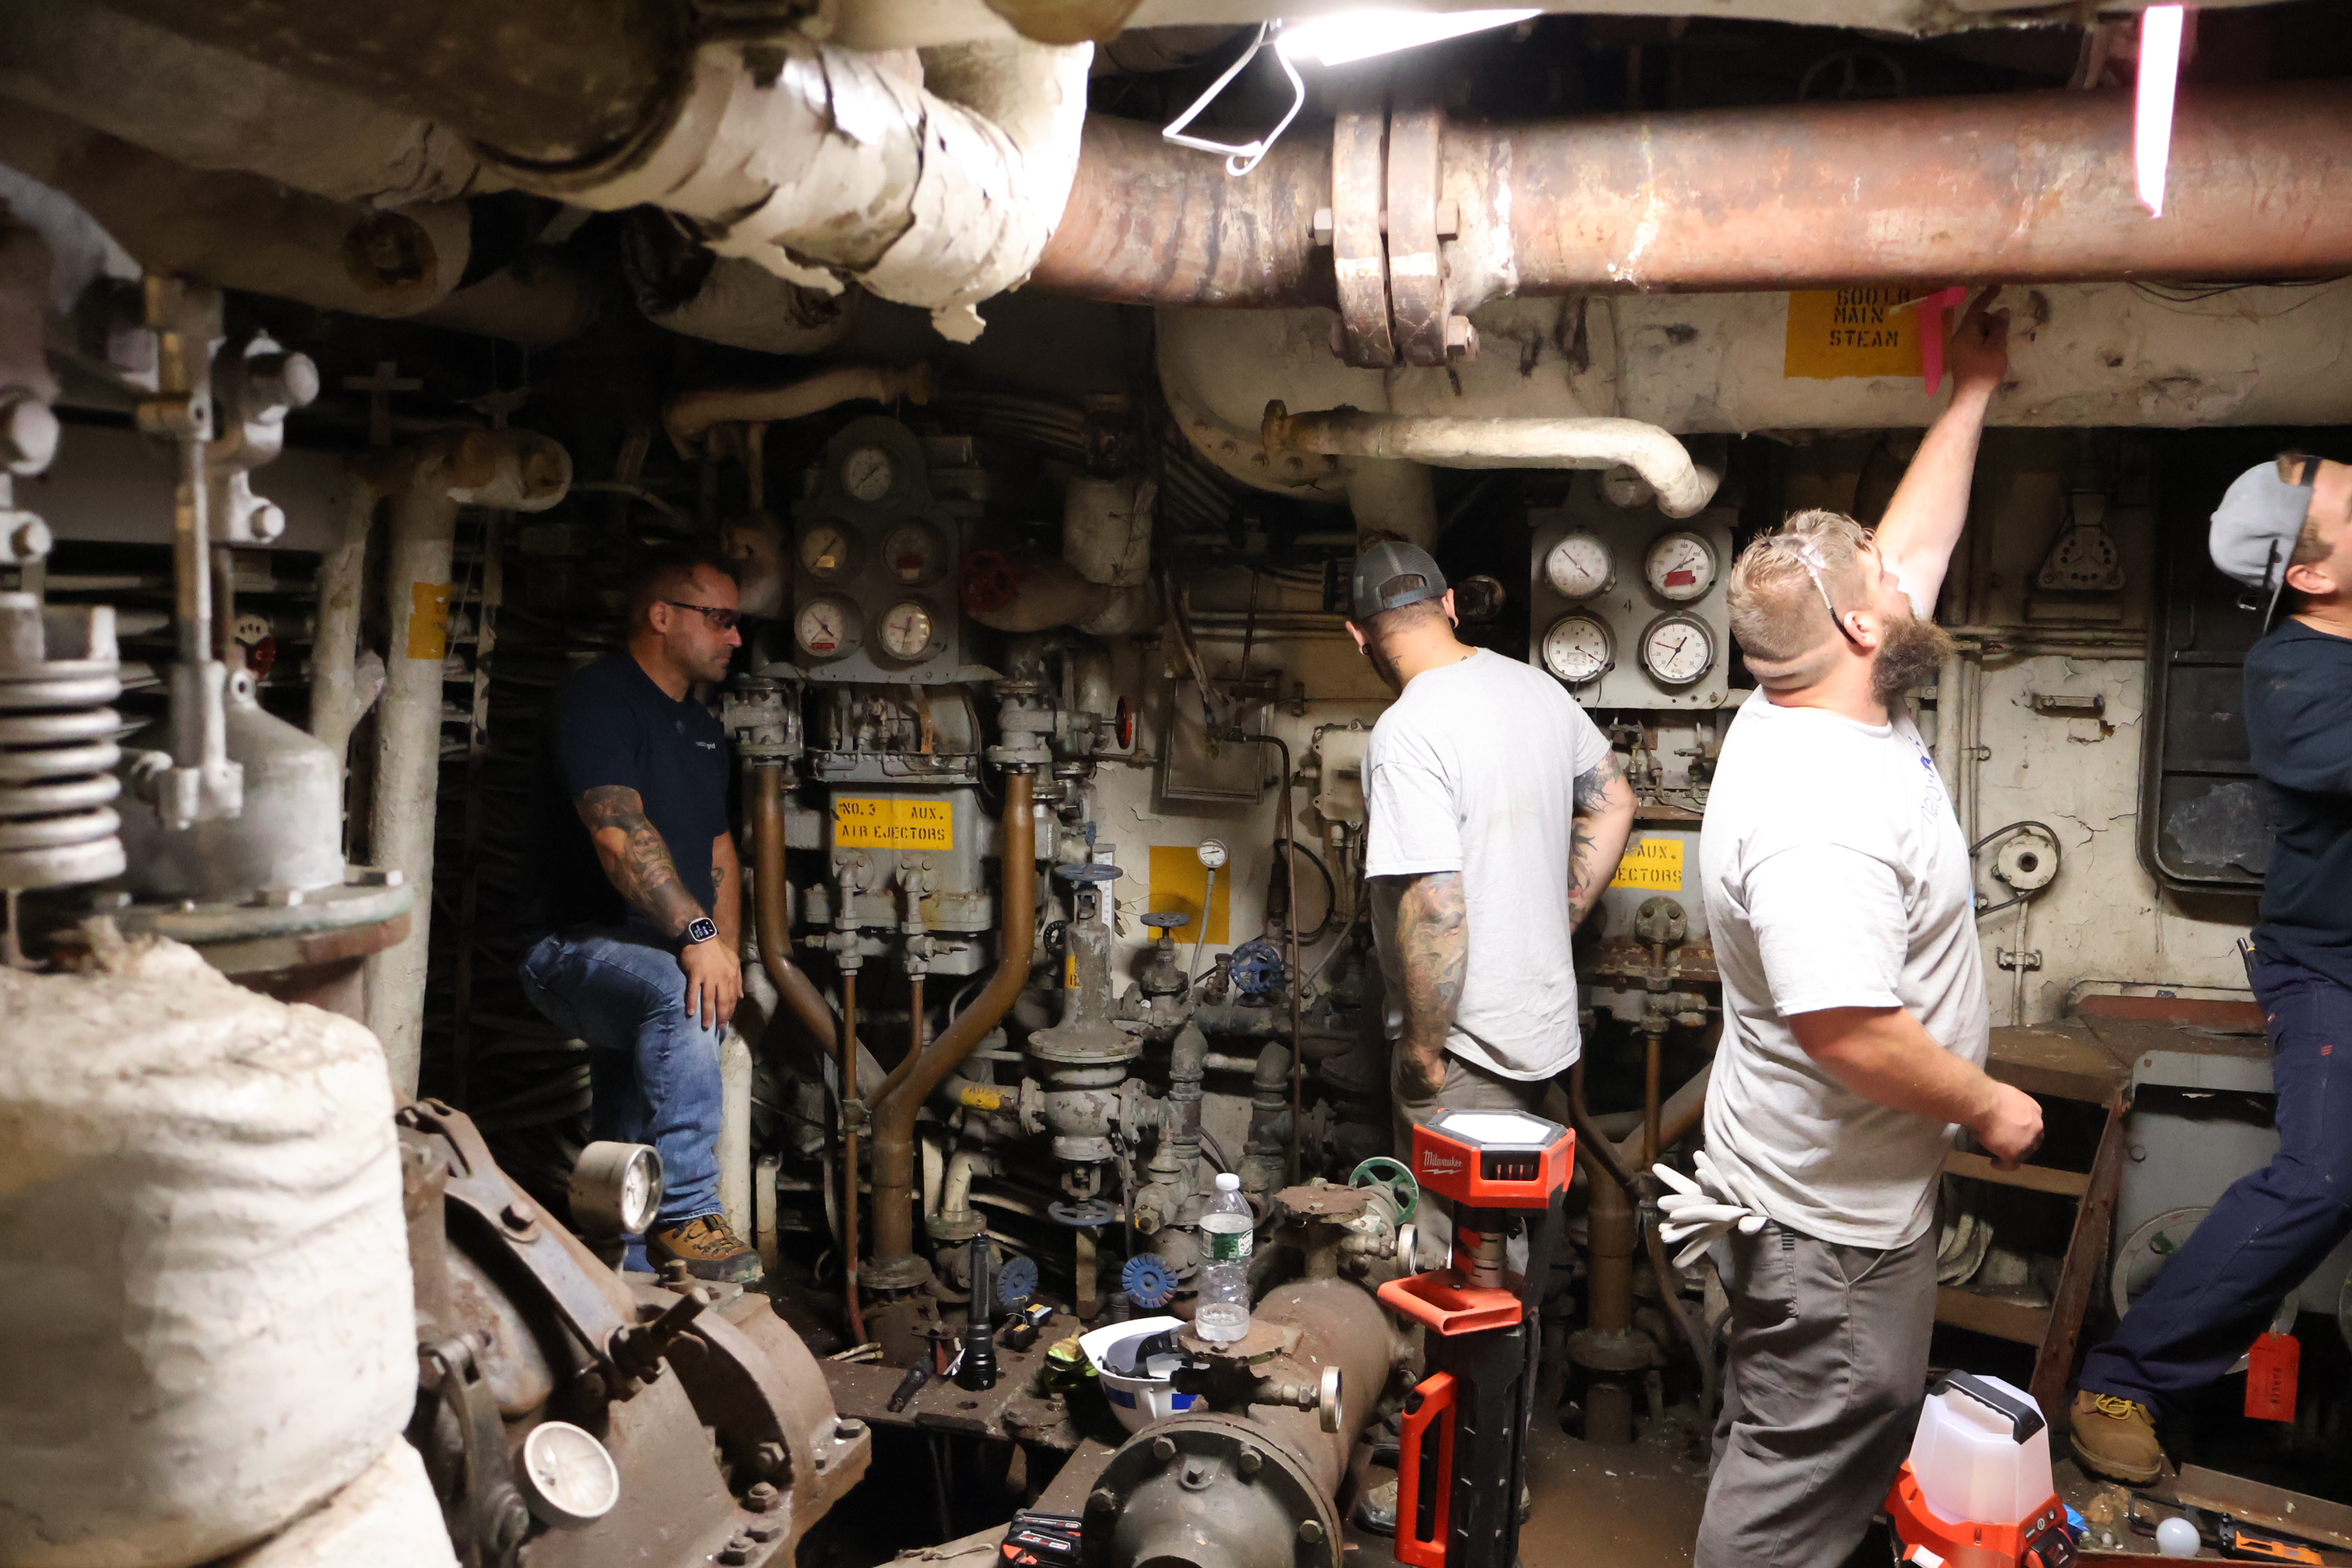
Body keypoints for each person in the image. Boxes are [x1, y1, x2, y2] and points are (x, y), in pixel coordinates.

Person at [1690, 288, 2044, 1568]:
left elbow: (1910, 554)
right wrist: (1989, 1103)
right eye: (1882, 584)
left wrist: (1972, 392)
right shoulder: (1821, 813)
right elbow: (1845, 1028)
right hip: (1830, 1227)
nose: (1903, 578)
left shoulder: (1814, 692)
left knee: (1785, 1440)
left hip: (1814, 1187)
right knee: (1809, 1464)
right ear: (1857, 625)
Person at [2070, 451, 2352, 1483]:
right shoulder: (2293, 672)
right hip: (2332, 970)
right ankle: (2125, 1380)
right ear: (2312, 575)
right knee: (2322, 1176)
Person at [1349, 538, 1637, 1197]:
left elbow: (1437, 909)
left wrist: (1423, 1053)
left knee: (1448, 1249)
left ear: (1358, 638)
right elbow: (1615, 800)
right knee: (1512, 1234)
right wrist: (1560, 913)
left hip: (1466, 1050)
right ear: (1450, 605)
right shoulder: (1537, 688)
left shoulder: (1406, 730)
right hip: (1541, 1031)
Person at [517, 548, 760, 1283]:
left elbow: (718, 853)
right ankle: (687, 1213)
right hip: (571, 947)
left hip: (659, 952)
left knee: (628, 1116)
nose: (735, 638)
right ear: (662, 616)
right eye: (719, 619)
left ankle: (613, 1268)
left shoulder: (703, 731)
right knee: (678, 995)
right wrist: (699, 939)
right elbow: (618, 831)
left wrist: (727, 961)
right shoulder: (598, 701)